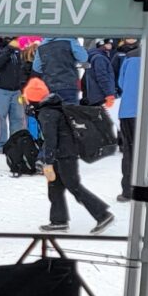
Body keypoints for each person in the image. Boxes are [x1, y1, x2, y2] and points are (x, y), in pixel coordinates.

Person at [27, 75, 112, 233]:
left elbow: (51, 140)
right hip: (65, 153)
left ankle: (102, 215)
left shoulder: (47, 114)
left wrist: (48, 162)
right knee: (55, 187)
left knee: (74, 187)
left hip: (64, 156)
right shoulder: (55, 106)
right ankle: (58, 221)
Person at [114, 39, 143, 199]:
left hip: (128, 110)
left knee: (130, 150)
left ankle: (128, 190)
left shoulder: (129, 57)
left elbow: (121, 83)